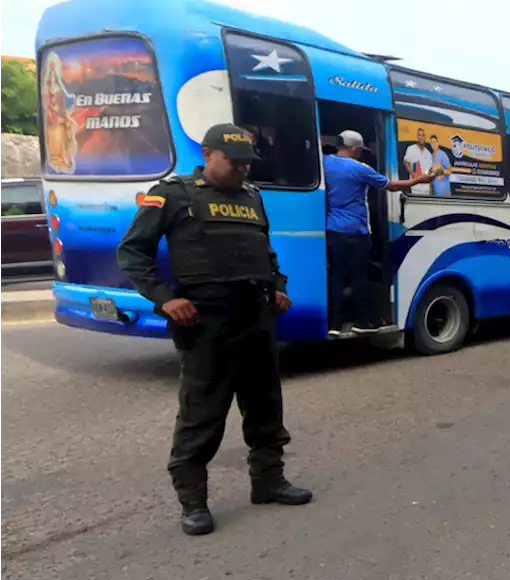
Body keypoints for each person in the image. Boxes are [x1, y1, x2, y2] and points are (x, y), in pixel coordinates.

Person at [117, 123, 314, 536]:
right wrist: (164, 298)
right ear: (208, 154)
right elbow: (133, 252)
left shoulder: (252, 197)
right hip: (205, 320)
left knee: (264, 405)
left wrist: (277, 287)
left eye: (246, 162)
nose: (241, 169)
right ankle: (193, 502)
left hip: (255, 317)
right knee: (202, 414)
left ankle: (268, 482)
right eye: (233, 161)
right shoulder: (173, 193)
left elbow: (265, 252)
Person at [324, 130, 431, 335]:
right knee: (359, 277)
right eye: (360, 150)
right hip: (356, 231)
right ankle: (361, 321)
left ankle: (334, 324)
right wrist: (418, 181)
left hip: (332, 230)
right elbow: (391, 186)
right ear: (354, 149)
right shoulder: (360, 168)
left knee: (336, 276)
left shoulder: (324, 163)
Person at [402, 128, 434, 196]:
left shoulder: (428, 153)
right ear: (417, 137)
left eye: (423, 135)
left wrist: (431, 190)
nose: (421, 137)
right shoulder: (411, 149)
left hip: (426, 190)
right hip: (415, 188)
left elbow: (430, 172)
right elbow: (405, 162)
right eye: (419, 135)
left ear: (425, 137)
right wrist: (412, 173)